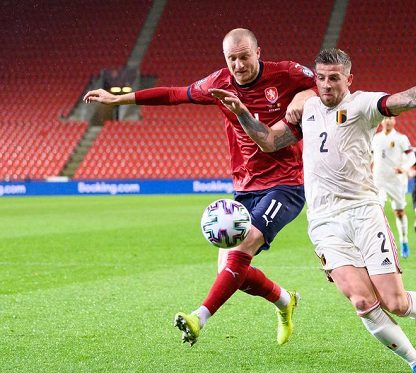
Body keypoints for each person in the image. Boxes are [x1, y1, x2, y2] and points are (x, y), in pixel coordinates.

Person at [211, 48, 416, 373]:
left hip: (364, 213)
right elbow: (269, 142)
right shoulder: (307, 110)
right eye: (320, 78)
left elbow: (404, 99)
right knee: (362, 301)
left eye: (334, 78)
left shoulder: (362, 105)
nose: (326, 85)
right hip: (324, 223)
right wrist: (243, 113)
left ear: (349, 79)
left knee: (395, 301)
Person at [84, 28, 318, 347]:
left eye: (244, 56)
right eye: (231, 58)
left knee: (245, 244)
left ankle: (199, 317)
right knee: (233, 271)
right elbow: (174, 95)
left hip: (285, 183)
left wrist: (307, 94)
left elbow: (327, 84)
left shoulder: (286, 73)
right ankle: (284, 301)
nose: (238, 64)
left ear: (258, 52)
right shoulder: (218, 83)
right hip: (246, 187)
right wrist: (119, 98)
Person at [370, 117, 416, 258]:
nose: (388, 121)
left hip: (397, 181)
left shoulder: (401, 138)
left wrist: (404, 167)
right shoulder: (375, 138)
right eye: (385, 118)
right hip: (379, 180)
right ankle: (380, 245)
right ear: (381, 121)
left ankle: (404, 240)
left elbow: (412, 157)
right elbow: (369, 157)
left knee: (399, 212)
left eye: (390, 118)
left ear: (394, 121)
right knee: (377, 211)